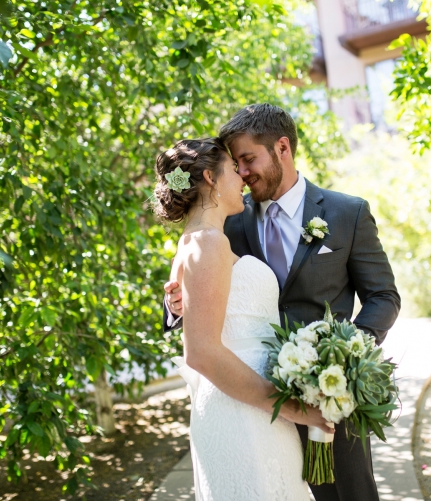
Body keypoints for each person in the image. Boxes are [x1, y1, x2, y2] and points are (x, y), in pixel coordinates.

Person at [164, 104, 401, 501]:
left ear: (283, 148)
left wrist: (343, 358)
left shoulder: (347, 213)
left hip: (329, 397)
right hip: (252, 403)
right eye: (235, 163)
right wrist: (175, 305)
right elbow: (201, 292)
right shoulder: (228, 221)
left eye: (248, 159)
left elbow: (383, 297)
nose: (241, 172)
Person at [153, 137, 332, 501]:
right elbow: (200, 351)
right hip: (244, 415)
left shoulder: (197, 240)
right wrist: (296, 410)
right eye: (234, 170)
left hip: (248, 409)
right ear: (210, 177)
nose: (243, 179)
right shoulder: (208, 243)